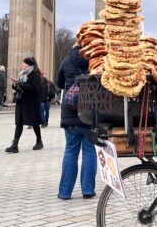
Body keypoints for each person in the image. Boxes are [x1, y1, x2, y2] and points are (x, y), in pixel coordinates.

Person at [55, 45, 96, 200]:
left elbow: (59, 84)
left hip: (70, 114)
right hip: (90, 114)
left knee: (70, 152)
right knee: (90, 152)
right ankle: (88, 190)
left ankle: (65, 192)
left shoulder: (66, 61)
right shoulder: (94, 61)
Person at [5, 58, 44, 153]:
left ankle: (39, 141)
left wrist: (20, 83)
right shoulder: (22, 74)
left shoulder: (35, 76)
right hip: (21, 101)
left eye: (24, 63)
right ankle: (15, 145)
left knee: (34, 122)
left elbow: (34, 89)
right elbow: (20, 87)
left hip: (31, 103)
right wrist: (15, 84)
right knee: (19, 123)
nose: (22, 64)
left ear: (29, 65)